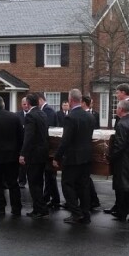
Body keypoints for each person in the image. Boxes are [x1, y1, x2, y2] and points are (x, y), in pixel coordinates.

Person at [53, 89, 95, 224]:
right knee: (83, 186)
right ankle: (85, 214)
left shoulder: (70, 117)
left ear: (71, 100)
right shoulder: (90, 116)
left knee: (67, 184)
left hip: (72, 158)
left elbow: (65, 141)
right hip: (87, 157)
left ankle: (76, 213)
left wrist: (57, 157)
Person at [19, 94, 49, 219]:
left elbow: (29, 137)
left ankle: (40, 209)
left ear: (29, 103)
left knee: (33, 182)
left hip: (34, 153)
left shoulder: (30, 116)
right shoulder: (42, 113)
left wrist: (22, 154)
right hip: (43, 152)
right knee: (39, 181)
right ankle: (40, 207)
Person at [38, 93, 62, 209]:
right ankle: (51, 198)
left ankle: (52, 198)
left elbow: (49, 131)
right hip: (48, 149)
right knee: (49, 176)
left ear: (40, 100)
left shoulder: (48, 111)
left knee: (50, 176)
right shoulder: (47, 111)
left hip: (49, 149)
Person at [81, 94, 101, 211]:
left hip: (84, 151)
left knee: (85, 180)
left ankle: (91, 201)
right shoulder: (90, 115)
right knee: (86, 179)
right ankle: (93, 200)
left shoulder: (88, 116)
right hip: (88, 150)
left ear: (83, 103)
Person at [16, 97, 28, 187]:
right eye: (24, 104)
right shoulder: (17, 115)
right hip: (20, 142)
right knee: (21, 164)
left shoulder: (33, 114)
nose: (26, 106)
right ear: (21, 105)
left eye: (27, 104)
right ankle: (22, 181)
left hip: (30, 143)